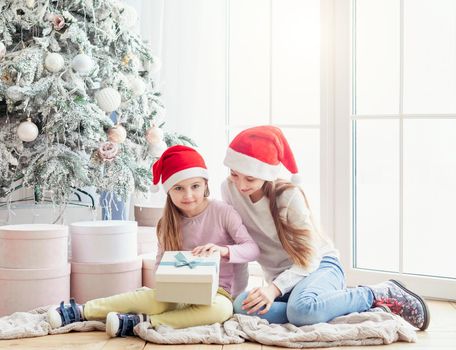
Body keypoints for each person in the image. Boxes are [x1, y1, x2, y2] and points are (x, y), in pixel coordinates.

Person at [221, 125, 430, 331]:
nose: (241, 185)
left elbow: (310, 258)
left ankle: (377, 294)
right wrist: (237, 291)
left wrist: (273, 290)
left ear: (267, 174)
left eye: (250, 178)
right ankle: (325, 306)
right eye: (234, 174)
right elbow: (239, 244)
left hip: (319, 266)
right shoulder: (229, 189)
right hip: (283, 279)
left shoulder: (288, 196)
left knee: (301, 311)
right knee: (241, 305)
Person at [48, 145, 260, 337]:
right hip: (180, 291)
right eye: (178, 188)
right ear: (169, 192)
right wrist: (171, 280)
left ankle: (142, 322)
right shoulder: (167, 223)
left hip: (220, 292)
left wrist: (223, 251)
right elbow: (160, 265)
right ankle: (81, 311)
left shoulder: (223, 212)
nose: (188, 195)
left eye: (195, 186)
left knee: (222, 310)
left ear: (205, 185)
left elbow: (252, 249)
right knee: (150, 297)